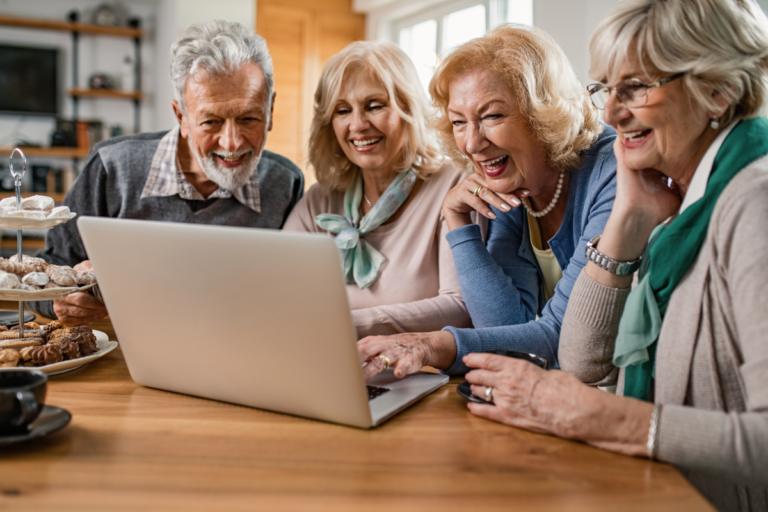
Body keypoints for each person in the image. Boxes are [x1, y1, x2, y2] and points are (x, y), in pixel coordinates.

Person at [460, 1, 768, 510]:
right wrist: (628, 218)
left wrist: (604, 419)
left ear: (719, 90)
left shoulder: (752, 204)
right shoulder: (683, 199)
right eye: (605, 88)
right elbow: (582, 362)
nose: (609, 112)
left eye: (637, 87)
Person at [358, 25, 617, 378]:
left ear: (543, 112)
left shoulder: (610, 169)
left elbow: (562, 335)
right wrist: (457, 221)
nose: (472, 143)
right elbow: (507, 329)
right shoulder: (511, 186)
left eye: (492, 116)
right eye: (458, 122)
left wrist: (432, 345)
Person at [32, 21, 304, 325]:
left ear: (270, 111)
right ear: (181, 117)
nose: (232, 142)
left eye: (249, 118)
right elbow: (48, 266)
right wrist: (57, 299)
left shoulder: (286, 183)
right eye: (211, 122)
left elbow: (295, 291)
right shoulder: (113, 167)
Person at [283, 41, 472, 338]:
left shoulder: (455, 186)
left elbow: (461, 308)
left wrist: (344, 325)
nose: (357, 125)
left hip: (425, 376)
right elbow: (276, 297)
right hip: (330, 368)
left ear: (409, 108)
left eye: (374, 106)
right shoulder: (318, 203)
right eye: (342, 110)